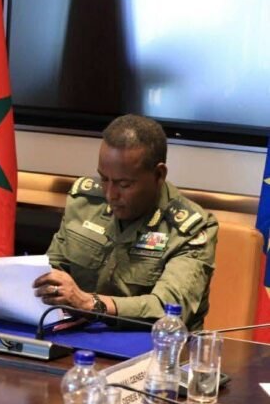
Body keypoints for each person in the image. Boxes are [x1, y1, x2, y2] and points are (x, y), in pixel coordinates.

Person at [33, 114, 218, 330]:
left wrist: (91, 305)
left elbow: (168, 310)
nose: (110, 194)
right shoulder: (85, 202)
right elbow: (51, 269)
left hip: (158, 345)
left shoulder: (190, 229)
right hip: (78, 336)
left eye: (124, 184)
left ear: (159, 175)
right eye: (104, 179)